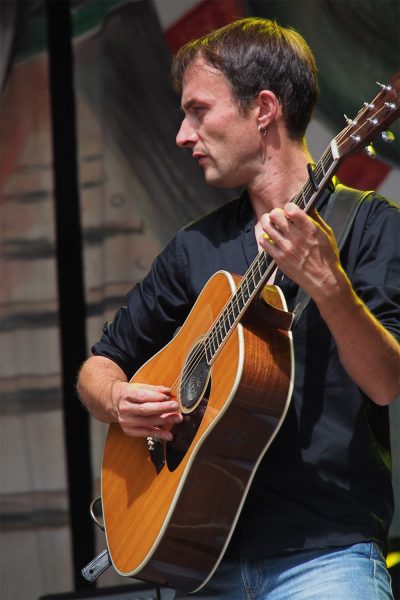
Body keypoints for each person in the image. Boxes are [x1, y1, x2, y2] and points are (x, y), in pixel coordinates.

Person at [77, 17, 400, 599]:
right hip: (201, 563)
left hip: (325, 560)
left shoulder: (370, 226)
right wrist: (119, 400)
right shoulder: (193, 249)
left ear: (264, 109)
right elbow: (99, 366)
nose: (182, 134)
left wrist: (329, 286)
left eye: (198, 110)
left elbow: (385, 384)